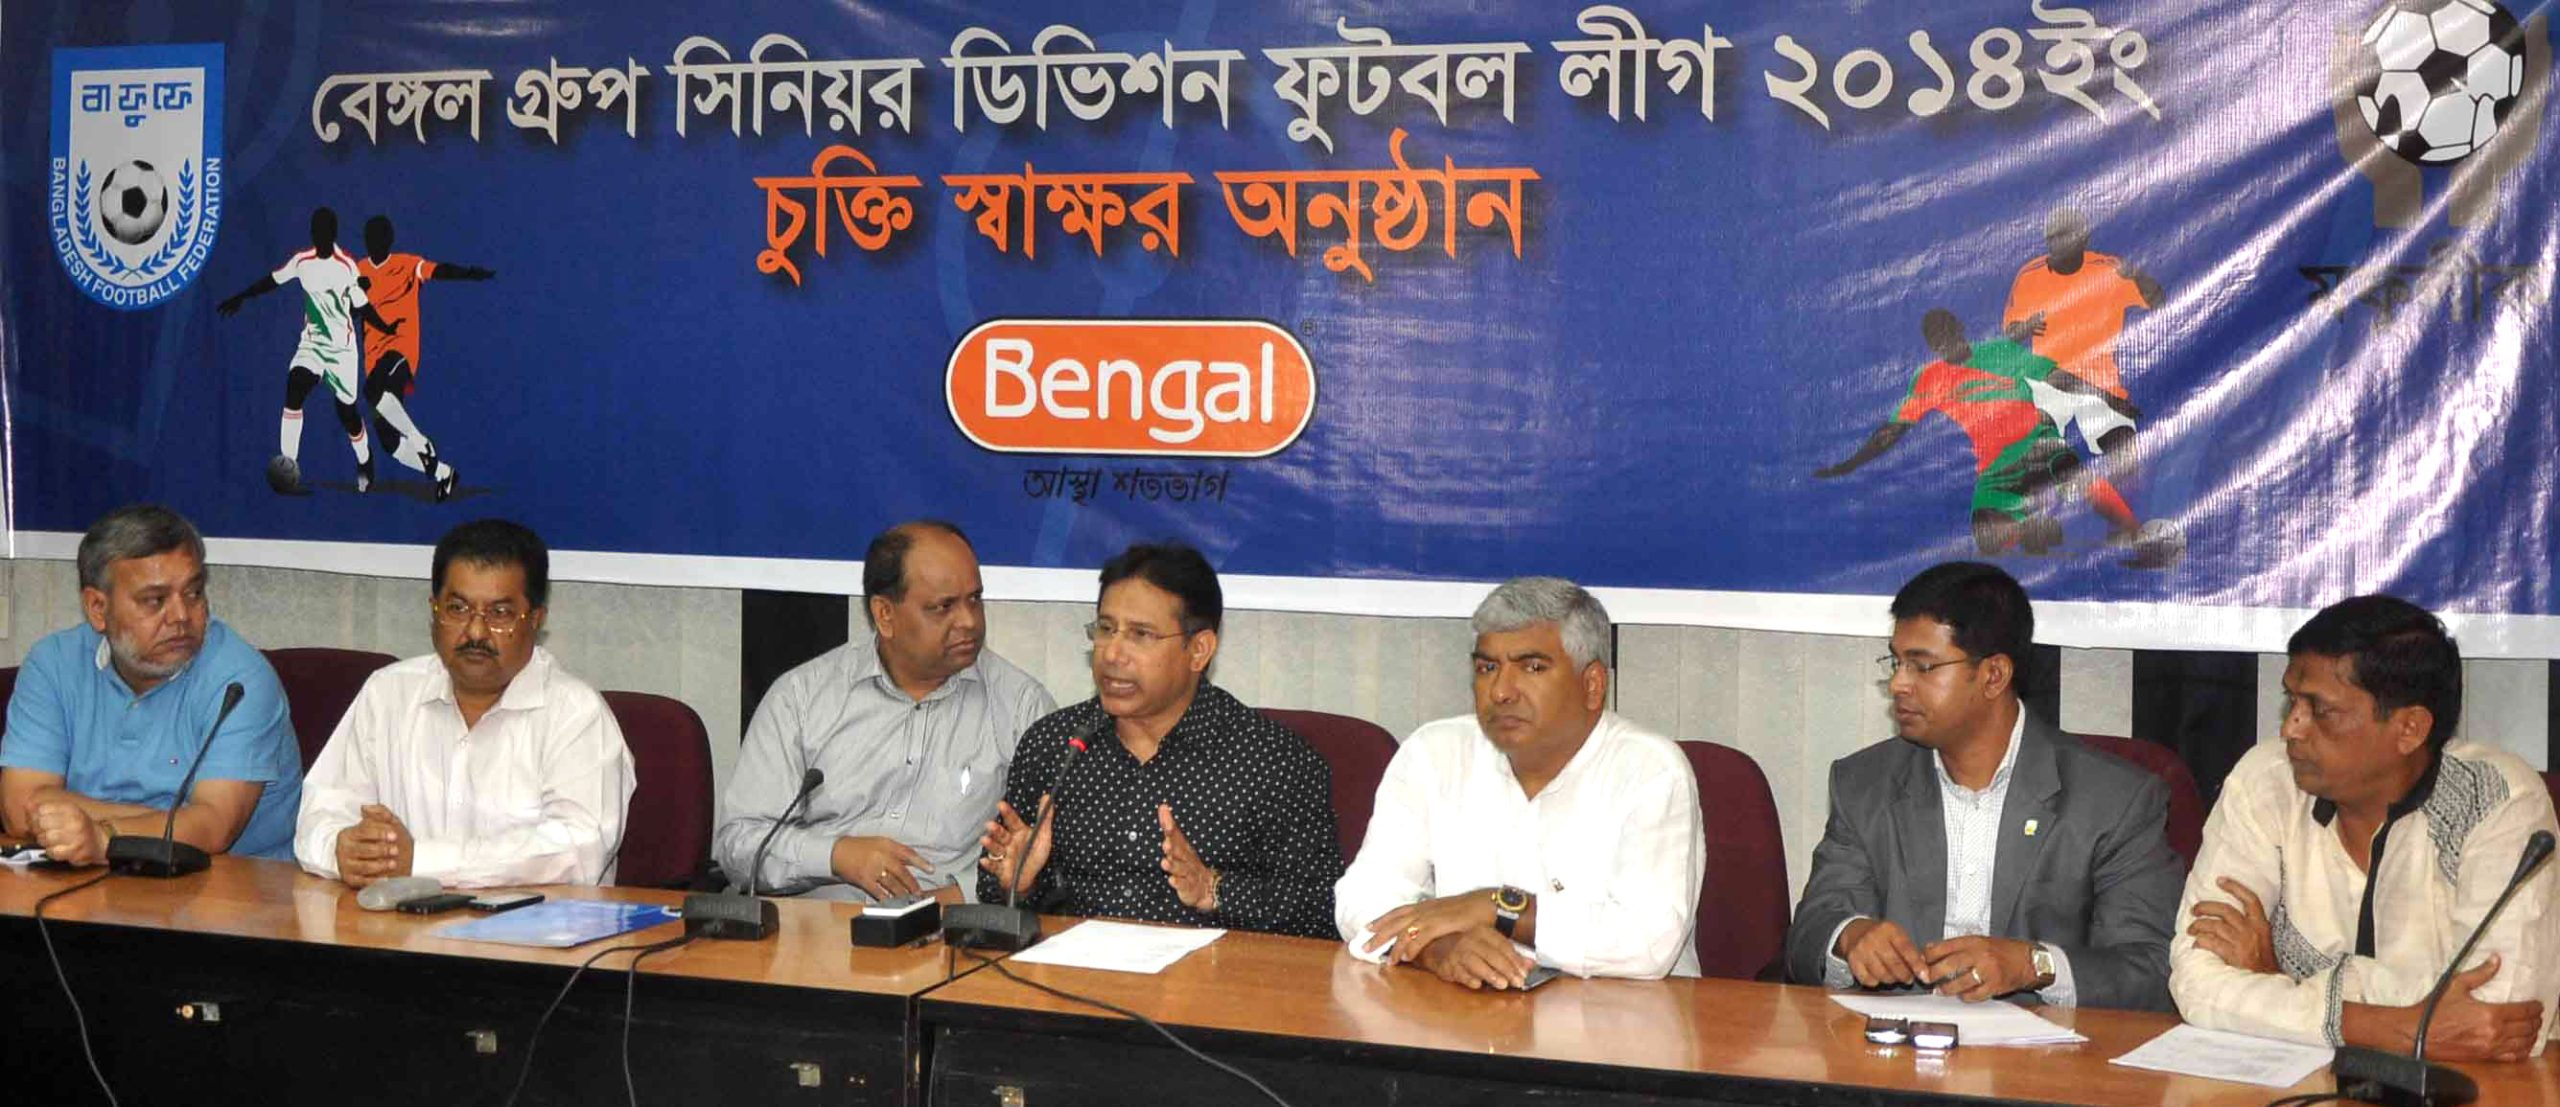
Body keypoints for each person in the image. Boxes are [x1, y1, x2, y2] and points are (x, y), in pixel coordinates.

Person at [1784, 561, 2183, 1011]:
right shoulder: (1864, 783)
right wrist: (1849, 937)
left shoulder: (2115, 799)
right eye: (1896, 663)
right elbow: (1808, 936)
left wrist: (2034, 965)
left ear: (1994, 675)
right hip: (1894, 1057)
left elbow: (2150, 970)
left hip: (2045, 1064)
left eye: (1923, 667)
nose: (1898, 684)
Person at [2171, 596, 2556, 1059]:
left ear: (2409, 728)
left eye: (2321, 709)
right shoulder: (2266, 779)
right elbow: (2195, 982)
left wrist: (2278, 984)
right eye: (2291, 700)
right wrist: (2389, 1026)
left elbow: (2499, 1020)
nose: (2293, 727)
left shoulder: (2495, 800)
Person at [1334, 577, 1704, 986]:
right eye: (1487, 668)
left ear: (1593, 684)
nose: (1501, 692)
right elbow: (1361, 896)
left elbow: (1649, 943)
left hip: (1619, 1025)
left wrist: (1501, 909)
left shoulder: (1650, 771)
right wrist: (1436, 948)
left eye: (1532, 667)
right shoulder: (1433, 752)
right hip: (1461, 1021)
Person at [976, 541, 1340, 936]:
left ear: (1198, 650)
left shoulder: (1273, 761)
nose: (1113, 653)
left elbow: (1323, 908)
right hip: (1072, 982)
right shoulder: (1054, 746)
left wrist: (1214, 890)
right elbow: (995, 891)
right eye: (1105, 629)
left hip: (1214, 988)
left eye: (1141, 635)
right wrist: (1021, 882)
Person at [716, 521, 1055, 903]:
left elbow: (1045, 853)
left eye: (974, 599)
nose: (969, 621)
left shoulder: (1023, 708)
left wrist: (963, 896)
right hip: (811, 936)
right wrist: (836, 855)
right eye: (943, 607)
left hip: (954, 937)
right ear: (885, 615)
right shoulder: (801, 697)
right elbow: (738, 845)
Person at [295, 519, 633, 888]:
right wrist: (342, 849)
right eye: (457, 608)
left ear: (536, 619)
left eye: (500, 614)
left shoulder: (576, 714)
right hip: (398, 935)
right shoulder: (388, 694)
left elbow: (577, 851)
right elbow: (320, 813)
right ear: (433, 610)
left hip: (531, 939)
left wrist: (420, 861)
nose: (475, 632)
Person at [0, 505, 303, 863]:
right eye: (155, 600)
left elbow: (212, 827)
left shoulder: (240, 681)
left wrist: (102, 836)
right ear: (97, 608)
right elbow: (20, 811)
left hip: (227, 896)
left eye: (193, 593)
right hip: (87, 888)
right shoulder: (53, 665)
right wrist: (154, 823)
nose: (180, 616)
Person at [1817, 308, 2157, 560]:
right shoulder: (1929, 378)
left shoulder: (2001, 352)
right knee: (1988, 540)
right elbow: (1891, 432)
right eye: (1937, 339)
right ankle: (2030, 527)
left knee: (2073, 474)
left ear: (1960, 327)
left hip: (2039, 444)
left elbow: (2062, 379)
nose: (1944, 341)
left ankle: (2138, 535)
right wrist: (1849, 465)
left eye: (1948, 330)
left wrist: (2111, 402)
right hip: (1995, 468)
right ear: (1931, 346)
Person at [217, 206, 403, 496]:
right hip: (312, 345)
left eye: (324, 232)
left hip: (342, 351)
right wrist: (241, 297)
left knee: (348, 413)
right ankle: (288, 468)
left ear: (333, 234)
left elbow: (363, 306)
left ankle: (365, 461)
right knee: (295, 388)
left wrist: (387, 329)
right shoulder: (302, 261)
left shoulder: (347, 266)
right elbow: (273, 280)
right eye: (315, 232)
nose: (318, 237)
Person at [354, 214, 493, 502]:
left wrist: (467, 273)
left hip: (401, 351)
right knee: (390, 443)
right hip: (373, 358)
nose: (374, 243)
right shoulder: (359, 271)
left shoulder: (406, 264)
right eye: (370, 238)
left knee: (372, 390)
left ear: (389, 241)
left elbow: (437, 270)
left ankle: (420, 440)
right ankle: (444, 473)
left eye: (379, 238)